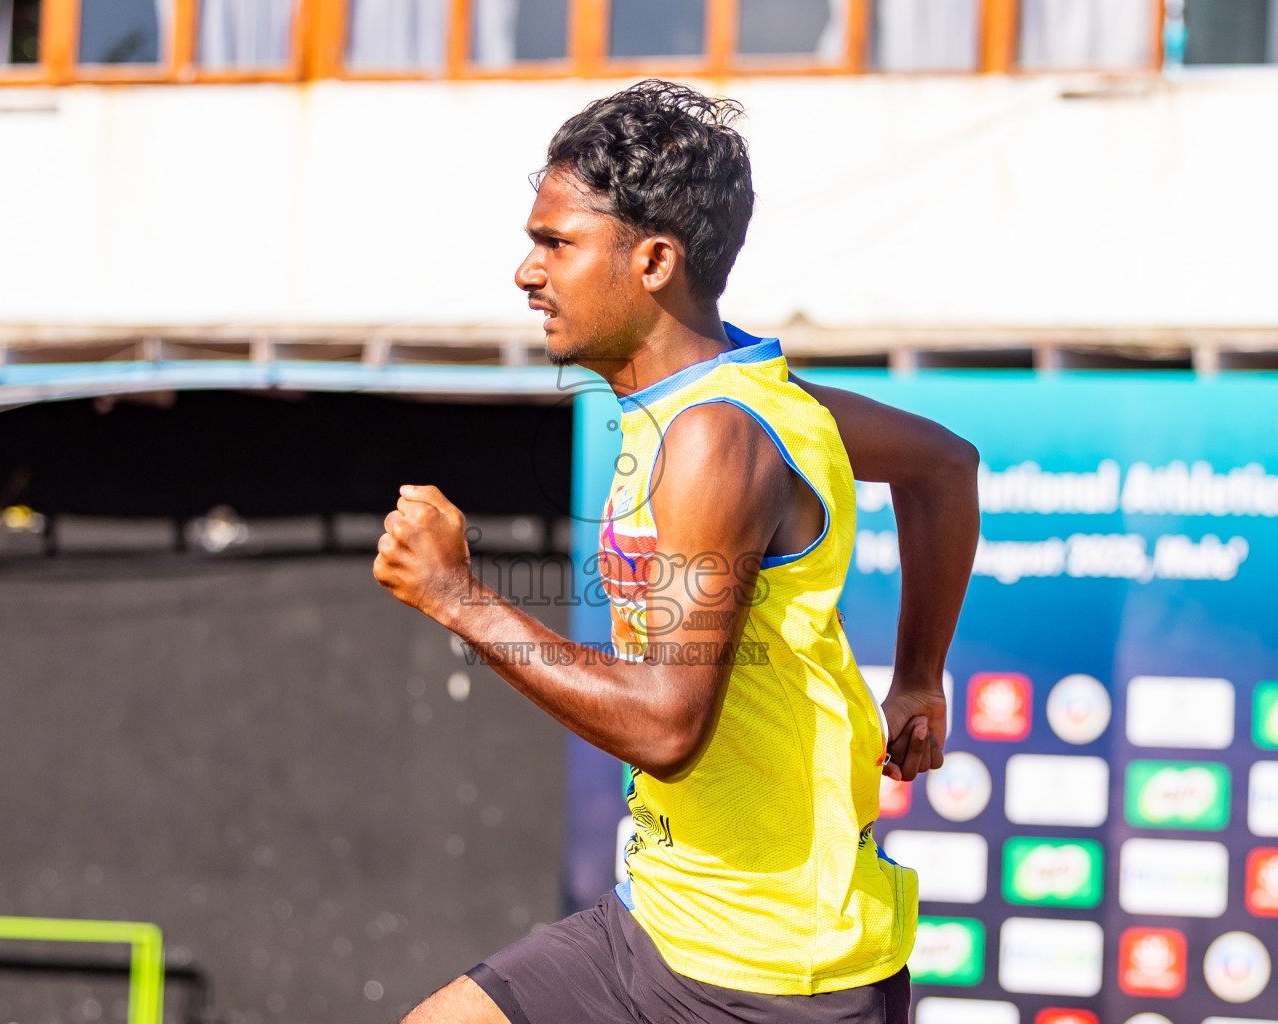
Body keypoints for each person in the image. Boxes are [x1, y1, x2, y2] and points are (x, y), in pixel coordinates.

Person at [373, 80, 979, 1024]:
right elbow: (944, 467)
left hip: (766, 974)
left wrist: (457, 597)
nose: (528, 274)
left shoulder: (714, 438)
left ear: (653, 260)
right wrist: (918, 682)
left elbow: (665, 729)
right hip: (664, 921)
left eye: (555, 243)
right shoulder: (743, 397)